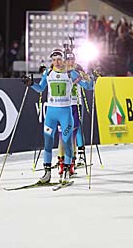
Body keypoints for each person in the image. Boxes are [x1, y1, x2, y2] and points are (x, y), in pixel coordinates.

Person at [22, 48, 90, 185]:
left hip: (65, 113)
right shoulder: (48, 72)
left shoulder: (71, 73)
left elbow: (88, 86)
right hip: (51, 115)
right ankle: (47, 173)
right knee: (47, 143)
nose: (56, 62)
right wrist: (30, 85)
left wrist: (92, 77)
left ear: (64, 60)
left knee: (67, 143)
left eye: (59, 59)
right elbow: (41, 88)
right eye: (53, 60)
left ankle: (66, 171)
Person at [57, 49, 94, 177]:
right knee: (62, 136)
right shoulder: (61, 72)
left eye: (73, 60)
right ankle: (61, 164)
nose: (71, 62)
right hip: (62, 106)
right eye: (69, 60)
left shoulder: (75, 72)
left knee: (72, 135)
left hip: (75, 106)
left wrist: (91, 78)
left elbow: (88, 87)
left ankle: (71, 164)